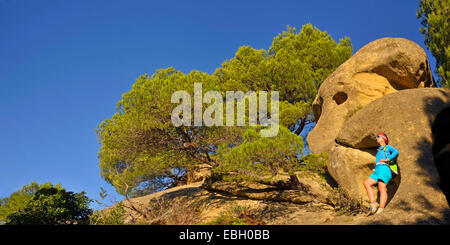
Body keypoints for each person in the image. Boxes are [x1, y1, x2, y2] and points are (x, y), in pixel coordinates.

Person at [363, 133, 399, 214]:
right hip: (377, 170)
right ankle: (373, 203)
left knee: (381, 187)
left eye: (378, 136)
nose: (377, 138)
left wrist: (387, 159)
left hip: (384, 168)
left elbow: (396, 152)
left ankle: (381, 208)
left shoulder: (388, 147)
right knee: (366, 183)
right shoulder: (379, 150)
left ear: (383, 138)